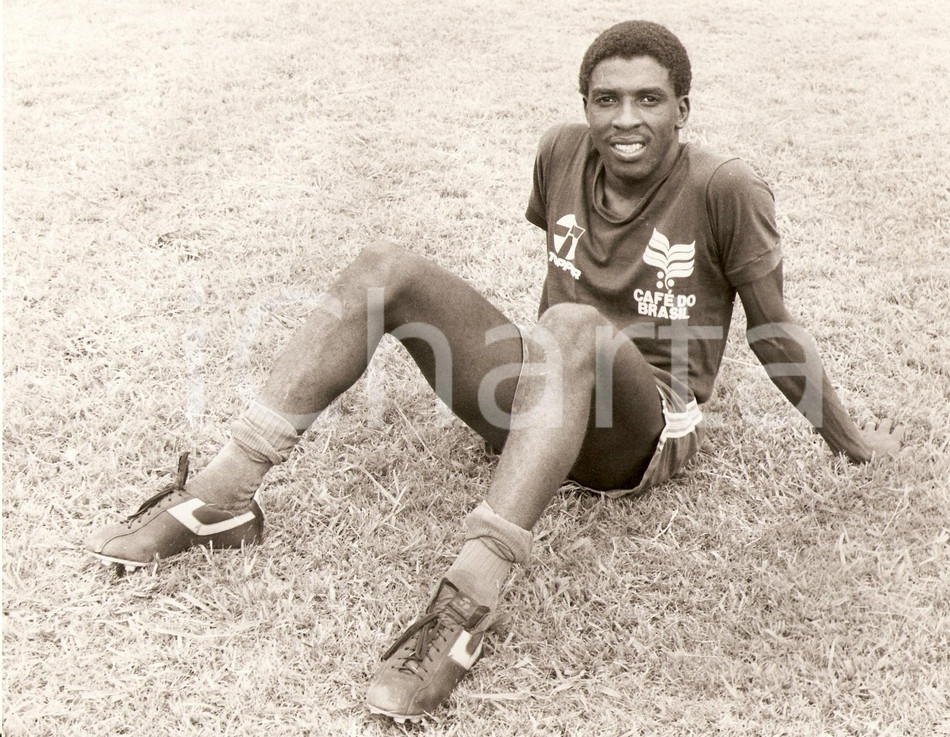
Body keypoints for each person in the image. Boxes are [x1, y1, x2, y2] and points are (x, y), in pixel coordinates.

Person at [86, 20, 904, 723]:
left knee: (572, 325)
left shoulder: (726, 186)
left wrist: (852, 442)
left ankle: (468, 602)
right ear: (584, 107)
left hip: (641, 426)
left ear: (683, 111)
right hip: (548, 388)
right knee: (386, 266)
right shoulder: (558, 153)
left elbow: (773, 328)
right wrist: (538, 379)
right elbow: (563, 282)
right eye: (606, 100)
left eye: (649, 100)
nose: (626, 119)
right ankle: (223, 497)